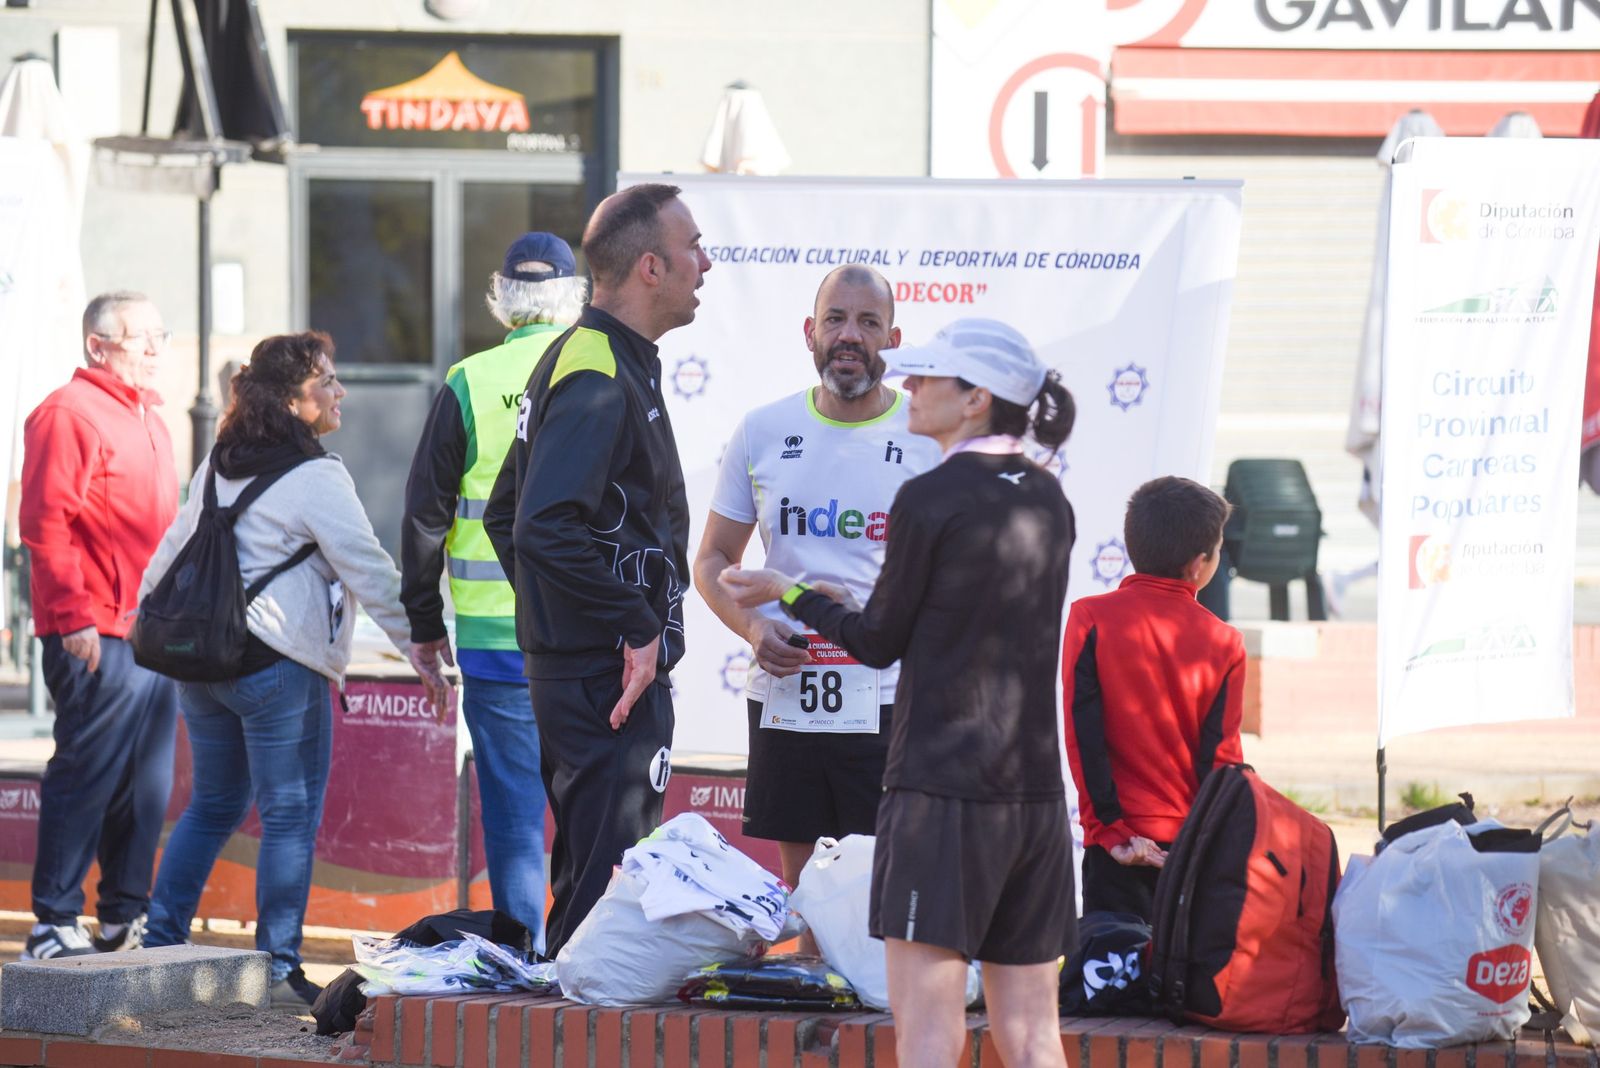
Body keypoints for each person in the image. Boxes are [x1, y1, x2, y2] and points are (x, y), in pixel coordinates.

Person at [720, 318, 1078, 1068]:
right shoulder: (1049, 497)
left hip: (940, 787)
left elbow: (878, 640)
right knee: (1032, 1034)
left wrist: (790, 590)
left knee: (926, 1031)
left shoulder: (931, 495)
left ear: (976, 398)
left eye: (927, 378)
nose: (908, 387)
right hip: (1037, 797)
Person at [140, 332, 447, 1010]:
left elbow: (171, 550)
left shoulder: (220, 464)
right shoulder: (316, 478)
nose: (341, 392)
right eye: (327, 383)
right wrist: (425, 650)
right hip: (281, 668)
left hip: (208, 666)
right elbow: (370, 573)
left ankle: (158, 947)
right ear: (291, 400)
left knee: (212, 806)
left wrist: (145, 616)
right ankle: (279, 969)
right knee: (288, 816)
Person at [483, 183, 709, 957]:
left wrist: (566, 624)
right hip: (608, 674)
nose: (704, 263)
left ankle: (565, 1025)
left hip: (590, 665)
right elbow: (540, 523)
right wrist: (629, 626)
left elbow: (505, 516)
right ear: (651, 266)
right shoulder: (593, 368)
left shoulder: (604, 356)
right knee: (606, 891)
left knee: (595, 877)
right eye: (693, 247)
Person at [692, 265, 938, 925]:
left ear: (894, 338)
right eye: (836, 319)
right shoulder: (763, 430)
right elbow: (713, 558)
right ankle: (813, 1024)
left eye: (867, 322)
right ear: (810, 332)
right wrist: (751, 630)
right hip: (787, 690)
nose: (850, 336)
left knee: (881, 896)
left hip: (886, 695)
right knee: (805, 903)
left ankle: (878, 1022)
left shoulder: (927, 438)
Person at [401, 232, 586, 950]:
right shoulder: (596, 371)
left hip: (493, 642)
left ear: (503, 296)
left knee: (513, 812)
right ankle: (587, 957)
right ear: (572, 298)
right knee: (589, 804)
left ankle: (523, 961)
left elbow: (424, 516)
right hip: (583, 639)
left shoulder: (468, 381)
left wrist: (424, 625)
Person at [18, 292, 180, 960]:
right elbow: (44, 524)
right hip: (92, 632)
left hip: (148, 637)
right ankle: (52, 922)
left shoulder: (150, 419)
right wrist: (74, 618)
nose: (154, 349)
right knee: (86, 775)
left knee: (145, 787)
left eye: (159, 336)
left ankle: (122, 916)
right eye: (142, 338)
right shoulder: (68, 414)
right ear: (98, 345)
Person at [1059, 475, 1244, 923]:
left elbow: (1083, 733)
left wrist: (1111, 831)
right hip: (1190, 846)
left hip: (1116, 845)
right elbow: (1222, 760)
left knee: (1115, 983)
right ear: (1200, 564)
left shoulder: (1090, 617)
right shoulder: (1225, 641)